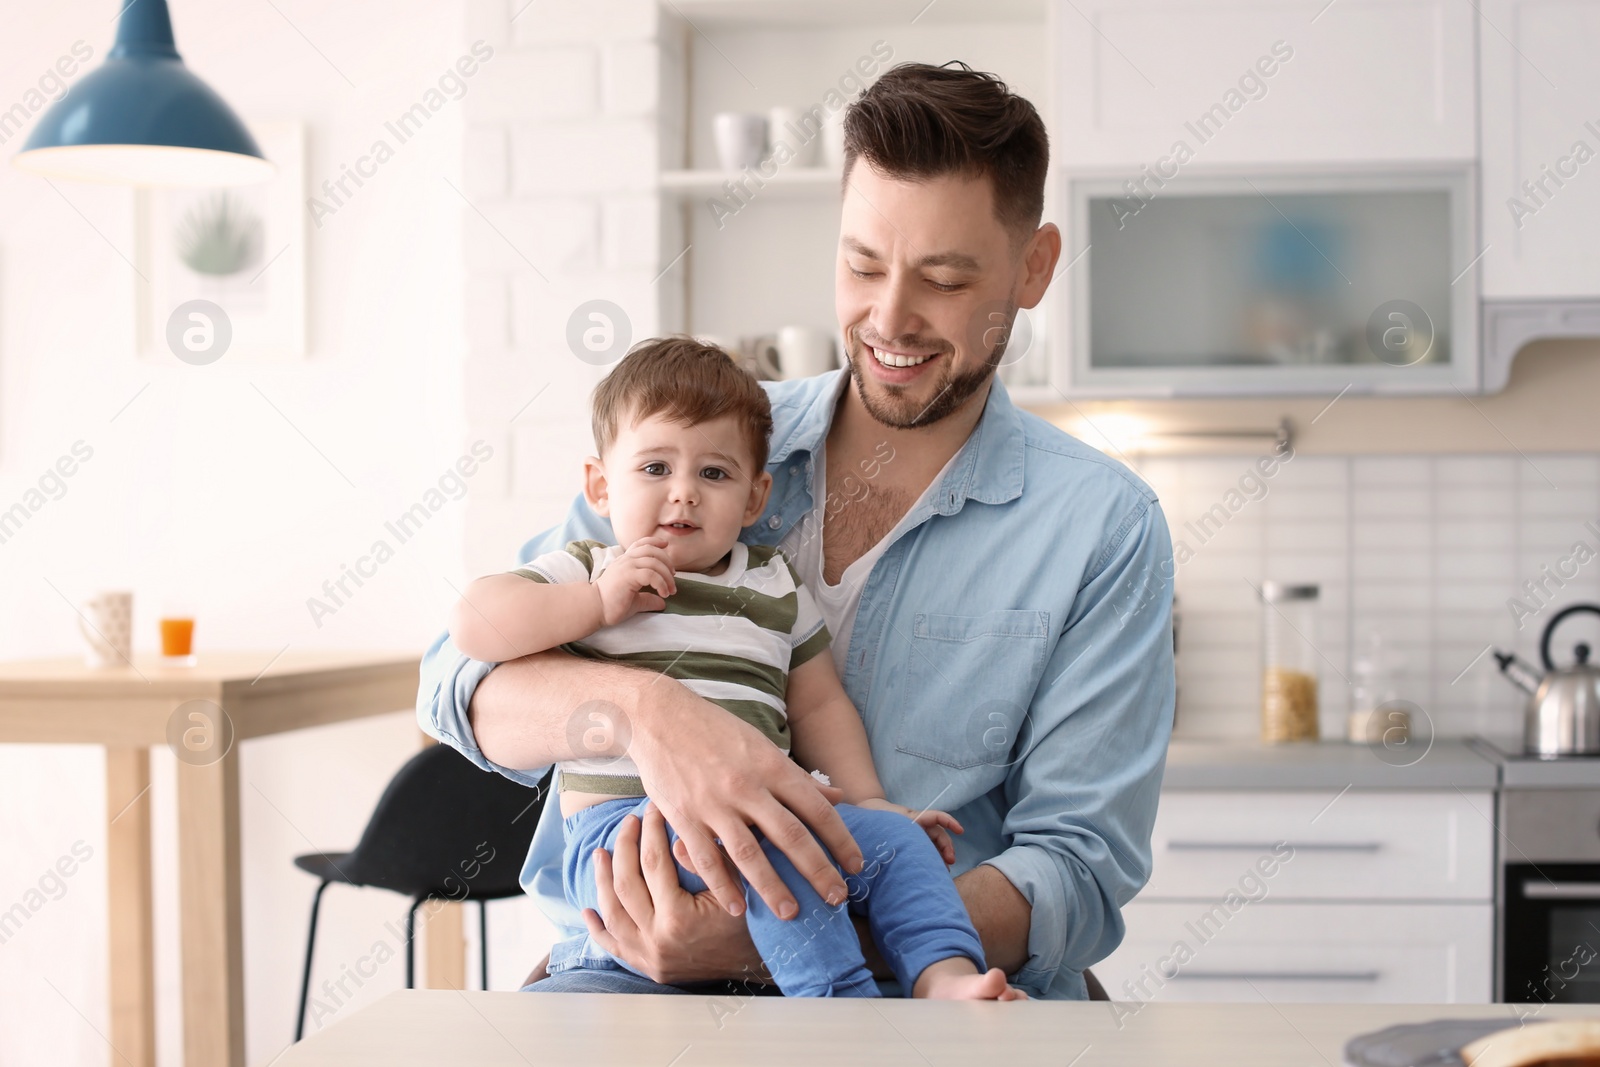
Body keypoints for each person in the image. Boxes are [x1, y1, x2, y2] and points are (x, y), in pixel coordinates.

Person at [418, 61, 1175, 999]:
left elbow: (1079, 869)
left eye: (942, 279)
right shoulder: (700, 448)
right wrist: (649, 717)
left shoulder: (1102, 525)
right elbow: (455, 681)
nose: (888, 318)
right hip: (621, 975)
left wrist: (755, 941)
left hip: (915, 990)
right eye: (862, 265)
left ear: (1033, 268)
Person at [447, 337, 1025, 999]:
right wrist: (594, 604)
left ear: (756, 498)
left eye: (714, 474)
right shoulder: (589, 567)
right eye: (656, 468)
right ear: (601, 486)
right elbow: (474, 623)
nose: (684, 494)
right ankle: (840, 1004)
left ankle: (946, 978)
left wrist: (868, 802)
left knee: (898, 843)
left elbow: (818, 706)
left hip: (760, 813)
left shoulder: (774, 585)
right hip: (626, 832)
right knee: (770, 846)